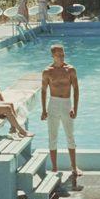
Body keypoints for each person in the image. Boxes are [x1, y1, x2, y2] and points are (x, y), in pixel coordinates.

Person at [41, 43, 81, 179]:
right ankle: (54, 168)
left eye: (63, 54)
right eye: (59, 55)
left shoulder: (70, 70)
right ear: (53, 56)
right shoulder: (47, 71)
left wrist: (75, 108)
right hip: (53, 104)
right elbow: (43, 91)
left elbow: (76, 90)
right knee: (53, 137)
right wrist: (43, 110)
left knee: (70, 136)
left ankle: (74, 166)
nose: (62, 57)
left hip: (66, 103)